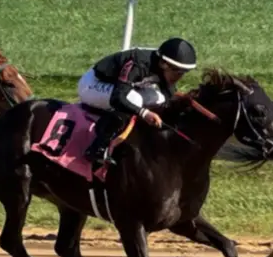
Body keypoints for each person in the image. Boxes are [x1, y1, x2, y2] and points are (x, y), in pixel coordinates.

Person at [78, 37, 198, 168]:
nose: (180, 77)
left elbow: (168, 97)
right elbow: (118, 97)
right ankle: (98, 148)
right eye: (178, 72)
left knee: (158, 98)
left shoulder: (164, 64)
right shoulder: (137, 63)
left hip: (122, 86)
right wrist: (144, 113)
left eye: (184, 73)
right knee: (135, 100)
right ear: (163, 63)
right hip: (93, 85)